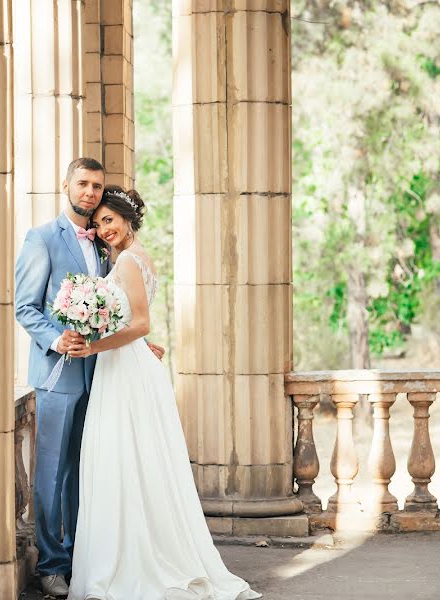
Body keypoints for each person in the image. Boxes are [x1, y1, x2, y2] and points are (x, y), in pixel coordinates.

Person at [66, 186, 262, 600]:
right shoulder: (124, 258)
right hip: (126, 363)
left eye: (110, 220)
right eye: (99, 223)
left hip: (124, 370)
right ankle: (130, 551)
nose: (104, 229)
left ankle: (140, 559)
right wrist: (115, 337)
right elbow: (131, 326)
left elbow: (141, 324)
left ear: (127, 218)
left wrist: (94, 346)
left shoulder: (131, 261)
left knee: (126, 456)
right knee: (129, 458)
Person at [15, 159, 165, 598]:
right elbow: (25, 306)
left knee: (89, 471)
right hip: (58, 374)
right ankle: (52, 564)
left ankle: (84, 556)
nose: (89, 191)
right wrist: (55, 339)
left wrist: (134, 343)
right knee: (51, 474)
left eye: (97, 186)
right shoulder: (42, 238)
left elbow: (115, 307)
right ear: (66, 185)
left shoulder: (104, 245)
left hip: (102, 375)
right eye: (82, 183)